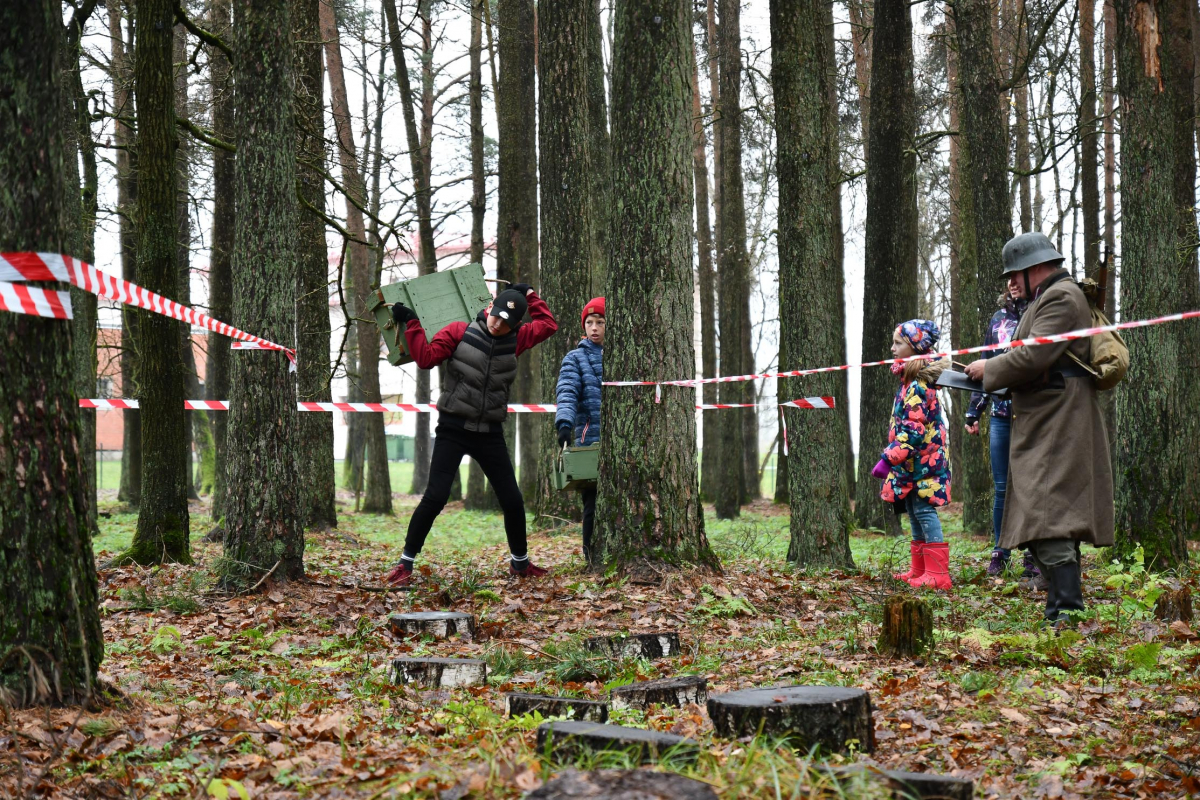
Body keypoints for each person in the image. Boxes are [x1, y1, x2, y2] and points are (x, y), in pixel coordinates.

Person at [965, 232, 1114, 626]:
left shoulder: (1061, 297)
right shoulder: (1047, 297)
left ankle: (1066, 612)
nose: (1011, 283)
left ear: (1036, 268)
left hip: (1059, 419)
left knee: (1048, 516)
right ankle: (1062, 609)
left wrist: (990, 368)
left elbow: (1034, 353)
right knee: (1045, 515)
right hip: (1046, 417)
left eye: (1015, 274)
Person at [382, 284, 558, 586]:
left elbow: (548, 325)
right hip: (453, 427)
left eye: (507, 322)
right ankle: (405, 565)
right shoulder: (459, 332)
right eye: (497, 315)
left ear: (515, 326)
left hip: (489, 432)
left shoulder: (517, 339)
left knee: (512, 500)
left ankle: (520, 564)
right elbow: (425, 358)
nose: (498, 324)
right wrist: (410, 321)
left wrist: (528, 294)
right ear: (489, 308)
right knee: (435, 497)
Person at [964, 285, 1039, 579]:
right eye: (1007, 279)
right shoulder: (998, 320)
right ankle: (1000, 551)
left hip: (1031, 415)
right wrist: (974, 411)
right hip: (1000, 415)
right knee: (1002, 488)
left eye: (1016, 277)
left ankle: (1034, 555)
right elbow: (986, 365)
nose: (1012, 284)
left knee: (1031, 485)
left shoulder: (1040, 313)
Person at [872, 319, 953, 590]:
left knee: (923, 511)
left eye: (898, 343)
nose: (892, 348)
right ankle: (920, 570)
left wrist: (887, 459)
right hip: (912, 466)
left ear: (914, 347)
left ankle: (938, 574)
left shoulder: (918, 385)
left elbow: (913, 432)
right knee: (913, 510)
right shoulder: (909, 381)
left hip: (924, 464)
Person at [554, 297, 605, 565]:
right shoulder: (575, 358)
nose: (594, 328)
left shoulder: (624, 355)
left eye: (600, 322)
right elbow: (567, 392)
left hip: (621, 443)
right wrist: (564, 424)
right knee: (592, 504)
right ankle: (590, 557)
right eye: (589, 322)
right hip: (590, 441)